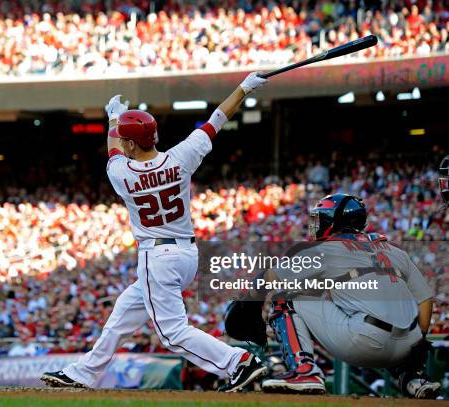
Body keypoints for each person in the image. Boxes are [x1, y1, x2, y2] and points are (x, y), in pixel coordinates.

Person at [41, 72, 269, 392]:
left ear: (132, 143)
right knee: (124, 313)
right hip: (186, 253)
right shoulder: (181, 156)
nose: (121, 140)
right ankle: (84, 372)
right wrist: (243, 89)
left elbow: (114, 149)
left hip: (157, 255)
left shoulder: (122, 173)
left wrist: (112, 118)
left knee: (171, 333)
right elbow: (218, 118)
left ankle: (238, 362)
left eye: (125, 137)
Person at [257, 194, 441, 399]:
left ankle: (304, 371)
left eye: (322, 218)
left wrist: (249, 296)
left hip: (365, 342)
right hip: (407, 347)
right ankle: (412, 377)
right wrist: (417, 345)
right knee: (384, 312)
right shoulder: (394, 251)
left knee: (285, 299)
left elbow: (273, 278)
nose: (317, 224)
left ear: (335, 221)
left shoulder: (325, 249)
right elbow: (426, 300)